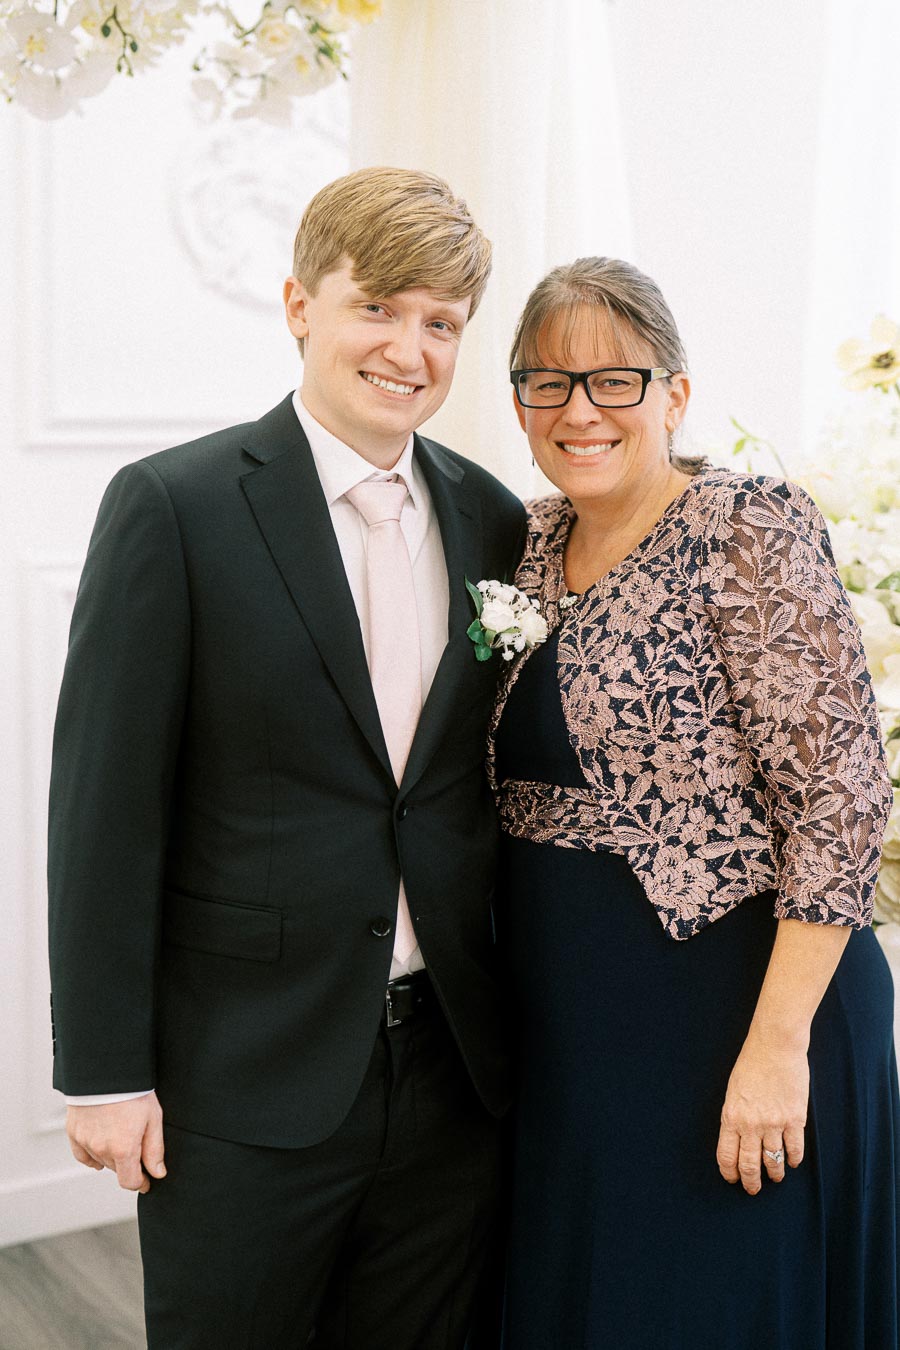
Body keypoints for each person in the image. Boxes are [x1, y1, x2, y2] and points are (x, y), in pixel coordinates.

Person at [47, 166, 525, 1350]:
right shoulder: (174, 506)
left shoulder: (494, 519)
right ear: (300, 302)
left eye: (441, 324)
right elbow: (103, 814)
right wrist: (104, 1072)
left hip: (453, 1076)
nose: (409, 349)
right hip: (243, 1081)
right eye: (379, 308)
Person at [488, 256, 899, 1349]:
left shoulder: (745, 526)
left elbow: (841, 802)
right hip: (578, 1031)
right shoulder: (522, 544)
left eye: (615, 379)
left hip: (741, 1012)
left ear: (674, 393)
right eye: (547, 382)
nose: (580, 410)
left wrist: (775, 1053)